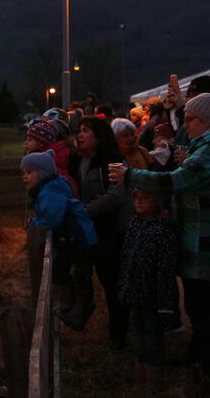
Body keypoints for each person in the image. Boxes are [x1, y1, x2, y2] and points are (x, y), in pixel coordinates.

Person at [110, 91, 210, 396]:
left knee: (204, 311)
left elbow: (177, 181)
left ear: (206, 119)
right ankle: (204, 367)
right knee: (203, 309)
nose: (186, 124)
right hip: (207, 238)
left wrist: (131, 175)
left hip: (208, 240)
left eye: (190, 118)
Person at [73, 116, 133, 344]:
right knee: (101, 277)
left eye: (85, 131)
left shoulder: (113, 160)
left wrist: (83, 212)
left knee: (114, 282)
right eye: (79, 131)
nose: (80, 135)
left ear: (99, 136)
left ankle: (119, 335)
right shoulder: (81, 161)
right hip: (95, 230)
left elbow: (116, 196)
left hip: (114, 231)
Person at [22, 150, 97, 320]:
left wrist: (35, 224)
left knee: (80, 273)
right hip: (72, 237)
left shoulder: (49, 192)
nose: (24, 177)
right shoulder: (48, 189)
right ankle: (71, 305)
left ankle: (82, 309)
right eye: (23, 173)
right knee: (66, 270)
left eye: (29, 172)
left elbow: (52, 219)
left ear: (42, 174)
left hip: (78, 237)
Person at [118, 187, 180, 393]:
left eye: (145, 197)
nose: (138, 201)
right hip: (135, 293)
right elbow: (127, 258)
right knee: (140, 338)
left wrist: (165, 304)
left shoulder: (163, 229)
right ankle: (141, 381)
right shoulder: (136, 223)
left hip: (152, 297)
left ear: (157, 200)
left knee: (153, 339)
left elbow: (165, 271)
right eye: (135, 197)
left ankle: (154, 386)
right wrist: (124, 286)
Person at [25, 119, 78, 197]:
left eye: (30, 140)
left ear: (41, 144)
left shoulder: (51, 165)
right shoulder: (46, 161)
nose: (26, 143)